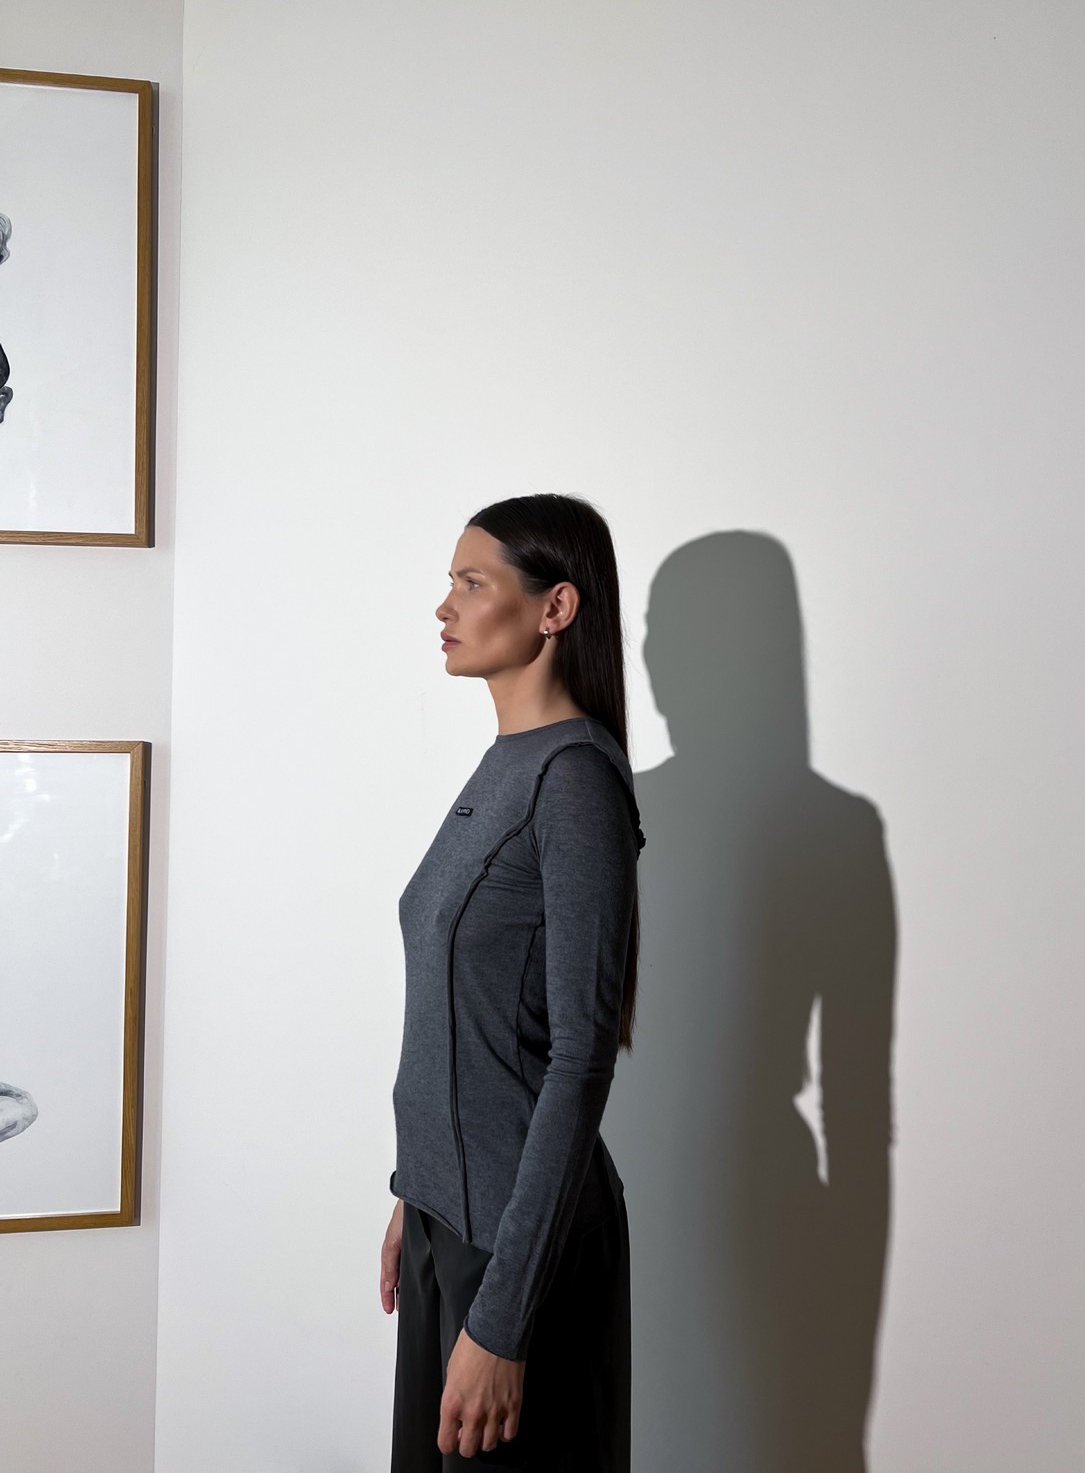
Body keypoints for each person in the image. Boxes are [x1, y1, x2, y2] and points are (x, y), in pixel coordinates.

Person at [381, 493, 646, 1470]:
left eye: (471, 581)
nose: (444, 605)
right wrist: (415, 1193)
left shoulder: (573, 780)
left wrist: (502, 1319)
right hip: (449, 1225)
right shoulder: (509, 764)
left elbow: (579, 1060)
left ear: (555, 608)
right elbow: (464, 1025)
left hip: (517, 1252)